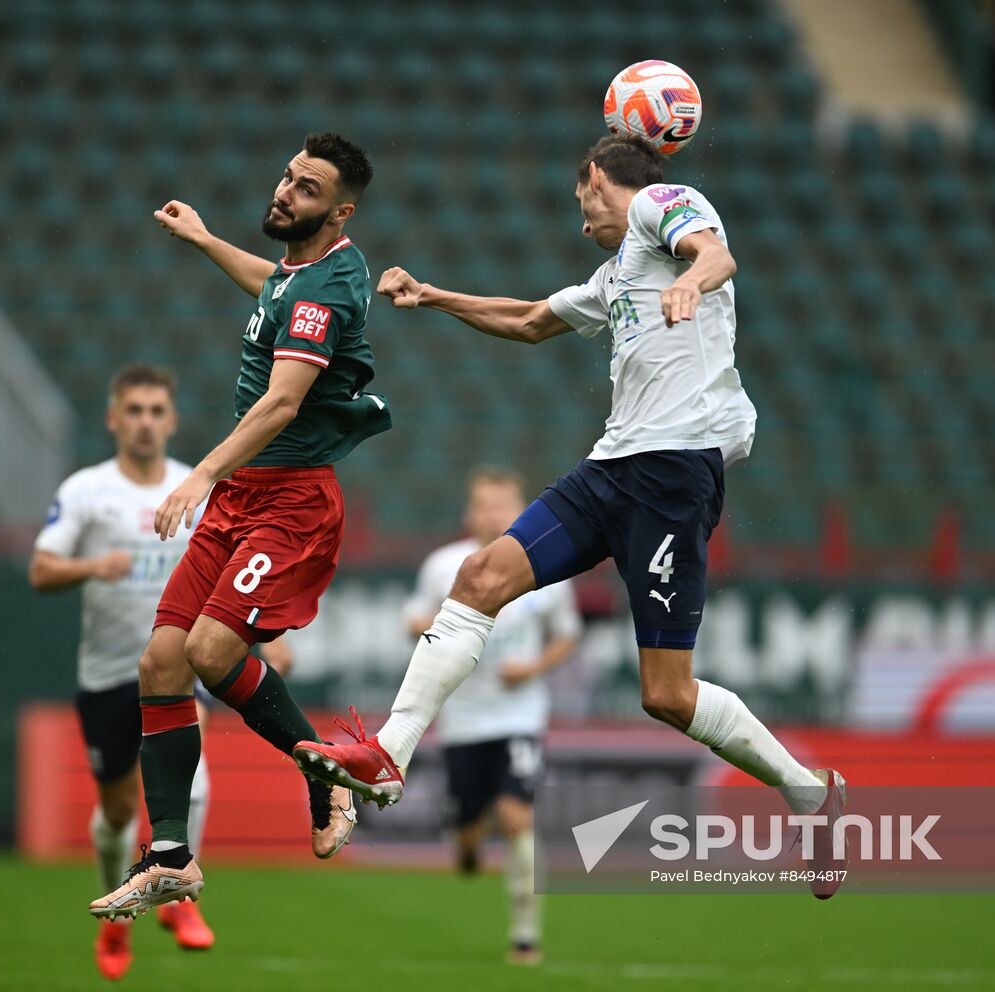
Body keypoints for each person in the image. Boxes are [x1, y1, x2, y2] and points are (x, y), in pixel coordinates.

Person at [295, 134, 846, 899]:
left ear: (595, 181)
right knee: (479, 575)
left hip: (674, 475)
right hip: (613, 468)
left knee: (666, 694)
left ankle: (808, 792)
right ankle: (389, 753)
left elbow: (715, 254)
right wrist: (434, 296)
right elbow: (528, 319)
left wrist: (695, 280)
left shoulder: (658, 206)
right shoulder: (617, 273)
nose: (580, 217)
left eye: (578, 199)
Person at [89, 132, 390, 920]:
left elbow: (285, 402)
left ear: (340, 213)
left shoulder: (327, 290)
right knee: (161, 662)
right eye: (289, 176)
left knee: (211, 650)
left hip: (289, 504)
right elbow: (271, 291)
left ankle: (326, 777)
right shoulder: (302, 274)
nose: (288, 191)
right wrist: (203, 240)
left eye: (308, 188)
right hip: (242, 498)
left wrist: (201, 472)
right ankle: (171, 859)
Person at [30, 364, 218, 978]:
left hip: (178, 670)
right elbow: (41, 569)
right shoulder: (88, 490)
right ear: (113, 418)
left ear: (172, 420)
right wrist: (91, 568)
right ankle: (118, 921)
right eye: (133, 410)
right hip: (109, 677)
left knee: (194, 781)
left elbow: (228, 575)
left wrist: (264, 636)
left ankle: (179, 891)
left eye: (155, 410)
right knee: (116, 813)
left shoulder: (197, 489)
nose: (144, 422)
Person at [402, 466, 580, 966]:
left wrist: (534, 668)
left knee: (516, 815)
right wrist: (423, 623)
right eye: (485, 504)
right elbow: (412, 617)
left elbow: (568, 635)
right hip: (462, 722)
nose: (494, 514)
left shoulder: (547, 565)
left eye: (504, 504)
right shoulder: (444, 565)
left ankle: (526, 937)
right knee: (467, 834)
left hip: (519, 717)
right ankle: (466, 844)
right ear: (469, 511)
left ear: (522, 509)